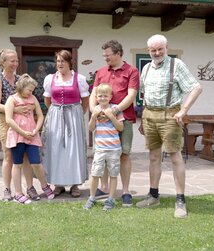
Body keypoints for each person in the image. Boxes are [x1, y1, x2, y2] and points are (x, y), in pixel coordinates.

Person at [137, 34, 203, 218]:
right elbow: (144, 94)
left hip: (170, 115)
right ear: (148, 50)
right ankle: (153, 195)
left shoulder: (177, 65)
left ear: (167, 48)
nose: (157, 53)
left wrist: (184, 110)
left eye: (160, 49)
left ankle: (180, 200)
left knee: (175, 157)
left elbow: (196, 87)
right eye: (153, 50)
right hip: (150, 114)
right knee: (153, 157)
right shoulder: (146, 68)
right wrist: (143, 117)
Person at [89, 40, 140, 207]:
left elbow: (131, 95)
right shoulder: (101, 71)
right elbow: (94, 93)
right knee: (103, 154)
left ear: (118, 53)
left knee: (124, 154)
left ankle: (125, 191)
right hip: (102, 120)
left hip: (122, 118)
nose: (105, 58)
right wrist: (95, 111)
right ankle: (104, 188)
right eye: (104, 55)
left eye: (108, 55)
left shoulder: (131, 71)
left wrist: (114, 111)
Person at [41, 49, 89, 198]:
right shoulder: (50, 79)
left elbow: (85, 101)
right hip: (55, 115)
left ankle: (75, 184)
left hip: (74, 116)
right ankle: (58, 183)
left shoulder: (79, 78)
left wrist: (77, 115)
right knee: (56, 149)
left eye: (63, 61)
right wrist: (56, 113)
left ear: (69, 62)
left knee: (73, 150)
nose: (60, 64)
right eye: (58, 61)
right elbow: (47, 100)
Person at [0, 49, 37, 201]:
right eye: (12, 61)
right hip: (6, 122)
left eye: (16, 61)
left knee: (25, 156)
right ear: (2, 62)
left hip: (24, 122)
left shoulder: (20, 80)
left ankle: (30, 188)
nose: (15, 64)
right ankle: (7, 189)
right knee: (9, 156)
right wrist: (14, 109)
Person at [5, 74, 55, 204]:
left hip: (32, 136)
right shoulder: (12, 99)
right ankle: (18, 193)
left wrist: (36, 130)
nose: (31, 93)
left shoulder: (33, 99)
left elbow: (40, 115)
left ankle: (44, 186)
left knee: (36, 163)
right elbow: (8, 119)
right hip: (17, 136)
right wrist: (23, 133)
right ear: (21, 87)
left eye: (32, 91)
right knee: (17, 164)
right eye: (29, 90)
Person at [84, 83, 124, 211]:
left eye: (105, 96)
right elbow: (91, 128)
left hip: (114, 148)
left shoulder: (115, 109)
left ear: (110, 97)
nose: (102, 98)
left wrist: (111, 116)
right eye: (100, 96)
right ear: (96, 97)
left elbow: (120, 127)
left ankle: (110, 199)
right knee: (95, 174)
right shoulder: (95, 109)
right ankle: (92, 197)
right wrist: (94, 115)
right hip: (100, 148)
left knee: (113, 174)